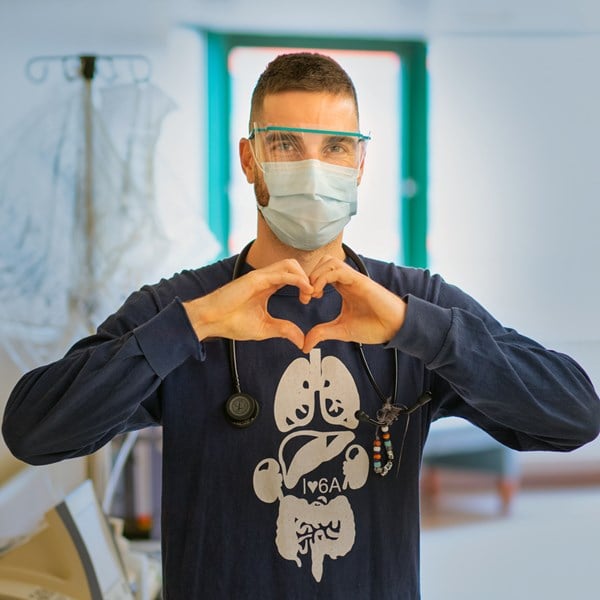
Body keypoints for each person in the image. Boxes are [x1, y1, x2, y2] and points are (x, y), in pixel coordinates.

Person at [3, 52, 600, 600]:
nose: (314, 169)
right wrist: (195, 325)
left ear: (360, 163)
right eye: (286, 144)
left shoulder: (414, 305)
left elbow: (574, 415)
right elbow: (34, 430)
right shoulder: (183, 307)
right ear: (250, 159)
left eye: (336, 147)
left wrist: (419, 330)